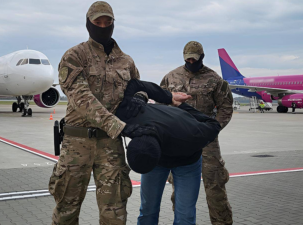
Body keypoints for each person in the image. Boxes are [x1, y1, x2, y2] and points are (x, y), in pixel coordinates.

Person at [48, 2, 187, 224]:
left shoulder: (126, 61)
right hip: (77, 144)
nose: (103, 26)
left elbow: (138, 87)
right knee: (66, 210)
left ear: (113, 23)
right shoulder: (75, 56)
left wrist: (139, 99)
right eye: (97, 22)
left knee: (115, 213)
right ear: (88, 23)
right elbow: (82, 99)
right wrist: (121, 127)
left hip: (110, 145)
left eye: (107, 22)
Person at [115, 79, 222, 225]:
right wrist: (142, 97)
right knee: (147, 210)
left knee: (185, 215)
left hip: (187, 162)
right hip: (154, 159)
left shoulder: (190, 135)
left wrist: (182, 105)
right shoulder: (128, 115)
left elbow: (213, 125)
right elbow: (135, 84)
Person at [161, 41, 234, 225]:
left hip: (207, 142)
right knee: (179, 191)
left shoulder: (215, 80)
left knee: (216, 188)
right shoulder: (171, 77)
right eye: (188, 59)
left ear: (202, 57)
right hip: (180, 144)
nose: (191, 62)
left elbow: (226, 109)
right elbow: (161, 106)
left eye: (195, 58)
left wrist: (212, 129)